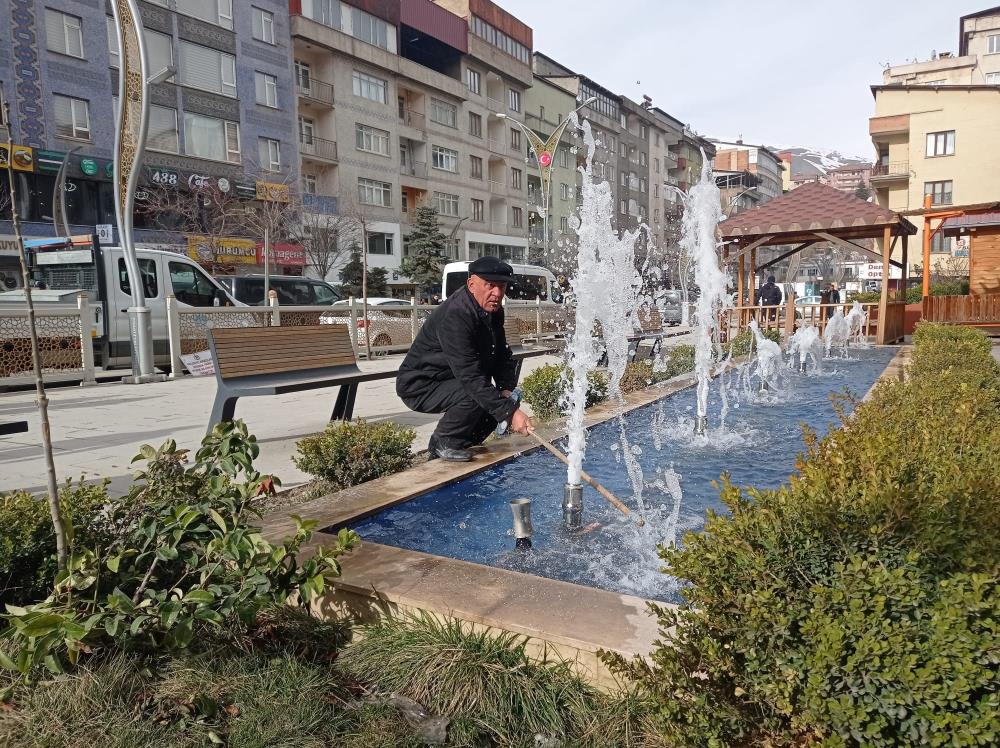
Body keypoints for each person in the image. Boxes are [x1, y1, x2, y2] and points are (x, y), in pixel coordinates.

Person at [396, 256, 535, 462]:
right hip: (422, 384)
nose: (497, 294)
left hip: (452, 379)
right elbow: (469, 376)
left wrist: (507, 389)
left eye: (502, 287)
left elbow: (502, 353)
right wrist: (510, 413)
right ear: (472, 284)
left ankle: (464, 444)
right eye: (490, 285)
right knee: (475, 393)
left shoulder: (493, 310)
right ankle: (443, 442)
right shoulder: (455, 315)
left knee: (498, 401)